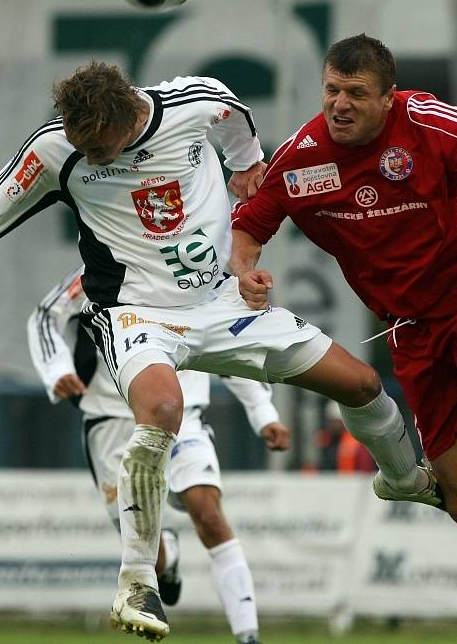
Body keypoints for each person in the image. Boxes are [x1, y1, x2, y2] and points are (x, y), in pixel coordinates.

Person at [0, 61, 441, 640]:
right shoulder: (56, 151)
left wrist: (247, 164)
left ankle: (403, 478)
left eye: (100, 149)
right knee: (161, 411)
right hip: (135, 315)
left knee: (362, 384)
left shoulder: (196, 102)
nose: (90, 158)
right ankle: (136, 580)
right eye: (83, 149)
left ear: (128, 118)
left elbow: (235, 117)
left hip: (223, 307)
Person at [231, 33, 457, 607]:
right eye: (332, 90)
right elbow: (248, 226)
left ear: (389, 98)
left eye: (356, 94)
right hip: (409, 329)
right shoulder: (302, 158)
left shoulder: (429, 124)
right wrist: (244, 270)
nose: (339, 104)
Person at [28, 266, 288, 644]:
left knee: (209, 513)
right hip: (110, 419)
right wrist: (56, 370)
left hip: (181, 415)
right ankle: (167, 556)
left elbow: (231, 338)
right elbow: (45, 316)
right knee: (148, 549)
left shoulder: (201, 270)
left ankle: (248, 637)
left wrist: (263, 413)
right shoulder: (97, 267)